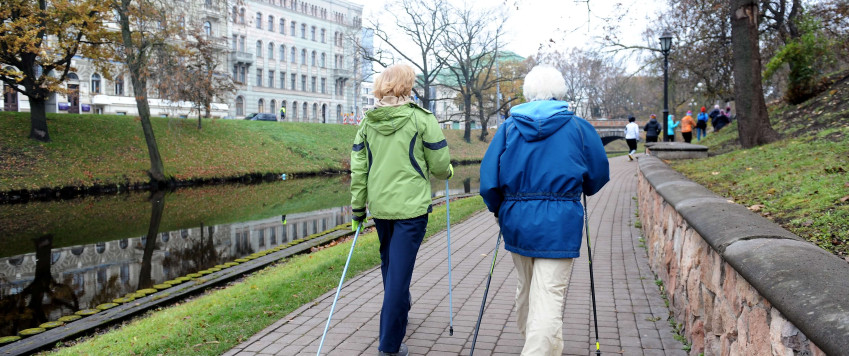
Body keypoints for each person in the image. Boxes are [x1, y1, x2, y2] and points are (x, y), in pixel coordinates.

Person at [479, 64, 610, 355]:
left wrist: (500, 208)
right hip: (560, 222)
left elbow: (489, 180)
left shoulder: (509, 128)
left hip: (517, 221)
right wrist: (582, 187)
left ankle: (539, 343)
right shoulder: (577, 127)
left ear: (528, 92)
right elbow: (598, 172)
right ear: (560, 91)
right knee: (548, 293)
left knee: (527, 287)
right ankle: (538, 349)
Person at [350, 64, 454, 356]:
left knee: (390, 265)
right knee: (399, 273)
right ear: (408, 86)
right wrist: (447, 171)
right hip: (411, 210)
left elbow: (359, 170)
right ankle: (390, 345)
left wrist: (358, 209)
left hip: (381, 208)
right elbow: (439, 164)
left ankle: (399, 306)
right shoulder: (422, 119)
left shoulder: (367, 123)